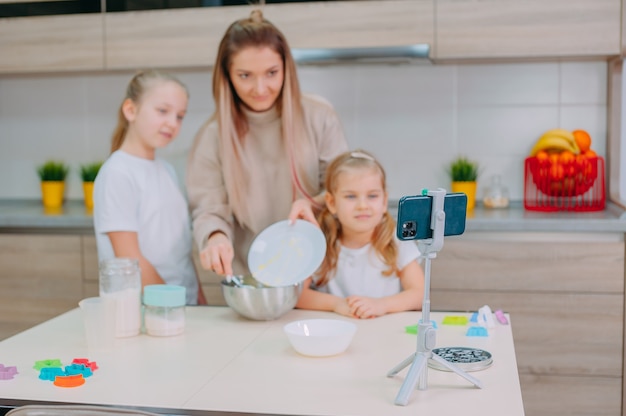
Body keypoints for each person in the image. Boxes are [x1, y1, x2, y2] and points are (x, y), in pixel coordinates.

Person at [186, 9, 348, 277]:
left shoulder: (319, 115)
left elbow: (343, 188)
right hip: (252, 278)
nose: (260, 89)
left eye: (271, 73)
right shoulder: (211, 136)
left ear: (286, 68)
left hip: (319, 275)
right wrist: (215, 237)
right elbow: (209, 210)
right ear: (227, 76)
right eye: (245, 75)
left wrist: (314, 203)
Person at [93, 70, 206, 306]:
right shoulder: (117, 173)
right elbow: (130, 258)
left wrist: (198, 299)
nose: (172, 123)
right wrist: (175, 307)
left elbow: (180, 250)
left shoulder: (166, 170)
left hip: (181, 305)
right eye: (163, 111)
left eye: (180, 116)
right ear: (130, 110)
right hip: (146, 309)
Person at [296, 150, 425, 319]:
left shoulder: (396, 240)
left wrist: (382, 305)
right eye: (350, 196)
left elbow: (419, 294)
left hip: (384, 334)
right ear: (332, 203)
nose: (362, 205)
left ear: (384, 201)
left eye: (372, 196)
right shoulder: (320, 242)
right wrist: (336, 304)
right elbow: (297, 295)